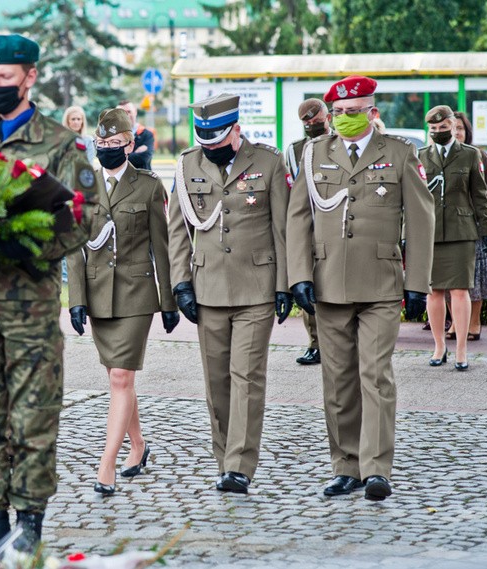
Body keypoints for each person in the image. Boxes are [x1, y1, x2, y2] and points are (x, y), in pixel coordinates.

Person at [0, 34, 98, 559]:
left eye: (5, 78)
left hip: (30, 303)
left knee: (33, 416)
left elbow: (87, 216)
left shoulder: (60, 144)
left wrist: (34, 243)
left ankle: (28, 526)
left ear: (30, 76)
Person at [287, 76, 435, 501]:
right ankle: (345, 466)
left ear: (372, 111)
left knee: (375, 375)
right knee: (338, 381)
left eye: (354, 113)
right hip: (329, 283)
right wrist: (298, 275)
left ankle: (376, 469)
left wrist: (417, 283)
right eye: (339, 114)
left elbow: (421, 219)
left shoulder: (401, 152)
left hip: (382, 285)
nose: (345, 120)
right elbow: (299, 217)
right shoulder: (314, 152)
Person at [167, 92, 291, 495]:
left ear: (236, 129)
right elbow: (177, 230)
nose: (211, 149)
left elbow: (283, 229)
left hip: (256, 287)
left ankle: (239, 464)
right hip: (207, 288)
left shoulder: (269, 162)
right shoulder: (187, 164)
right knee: (216, 381)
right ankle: (224, 459)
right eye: (205, 142)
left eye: (217, 141)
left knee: (247, 376)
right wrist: (180, 282)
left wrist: (284, 284)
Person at [66, 108, 178, 496]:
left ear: (130, 144)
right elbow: (74, 247)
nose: (109, 149)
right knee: (118, 377)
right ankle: (139, 445)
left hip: (136, 292)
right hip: (98, 294)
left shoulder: (148, 186)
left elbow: (161, 249)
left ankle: (106, 463)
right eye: (103, 144)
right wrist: (75, 299)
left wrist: (169, 302)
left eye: (116, 144)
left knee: (120, 377)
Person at [418, 106, 487, 371]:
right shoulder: (420, 156)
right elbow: (413, 201)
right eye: (434, 129)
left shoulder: (470, 155)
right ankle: (439, 345)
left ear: (452, 125)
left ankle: (461, 348)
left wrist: (486, 230)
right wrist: (408, 233)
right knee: (434, 291)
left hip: (462, 230)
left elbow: (480, 196)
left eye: (443, 127)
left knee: (461, 290)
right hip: (430, 231)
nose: (439, 132)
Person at [284, 98, 332, 366]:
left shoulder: (340, 143)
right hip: (308, 226)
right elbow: (290, 188)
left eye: (317, 122)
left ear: (328, 118)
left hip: (337, 224)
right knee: (308, 283)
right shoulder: (294, 150)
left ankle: (340, 342)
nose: (313, 127)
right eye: (308, 124)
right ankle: (315, 343)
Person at [453, 111, 487, 341]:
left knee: (476, 276)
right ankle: (454, 324)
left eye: (460, 127)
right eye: (452, 127)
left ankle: (474, 322)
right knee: (450, 277)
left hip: (475, 224)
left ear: (467, 131)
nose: (456, 131)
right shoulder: (438, 156)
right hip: (450, 226)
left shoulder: (477, 155)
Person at [117, 100, 154, 170]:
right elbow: (109, 158)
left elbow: (144, 158)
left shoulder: (147, 134)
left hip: (143, 177)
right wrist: (135, 153)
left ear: (135, 112)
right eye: (122, 112)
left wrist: (120, 156)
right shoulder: (112, 135)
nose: (126, 115)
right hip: (120, 179)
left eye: (129, 111)